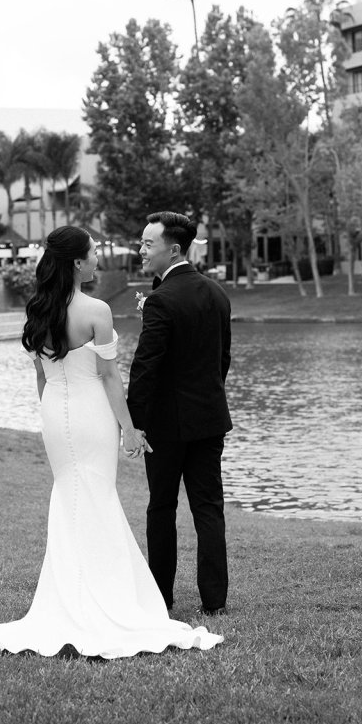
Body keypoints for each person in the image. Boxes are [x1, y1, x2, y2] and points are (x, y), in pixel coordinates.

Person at [0, 225, 223, 659]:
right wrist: (130, 428)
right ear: (77, 262)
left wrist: (53, 415)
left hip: (54, 413)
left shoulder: (38, 309)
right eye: (92, 252)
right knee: (98, 496)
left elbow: (41, 376)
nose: (98, 258)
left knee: (69, 496)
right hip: (92, 416)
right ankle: (104, 595)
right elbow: (108, 377)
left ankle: (71, 593)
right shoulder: (96, 310)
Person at [127, 212, 232, 616]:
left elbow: (145, 367)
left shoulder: (161, 299)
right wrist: (207, 397)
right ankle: (214, 601)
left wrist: (134, 423)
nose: (141, 249)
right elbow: (222, 360)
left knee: (161, 507)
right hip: (209, 418)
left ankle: (161, 597)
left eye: (147, 243)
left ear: (173, 249)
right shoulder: (217, 293)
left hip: (166, 426)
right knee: (209, 507)